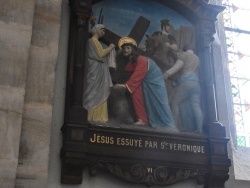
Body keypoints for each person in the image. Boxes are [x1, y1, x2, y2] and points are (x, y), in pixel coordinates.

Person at [116, 37, 174, 128]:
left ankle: (169, 125)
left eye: (128, 48)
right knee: (135, 93)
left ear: (133, 49)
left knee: (160, 103)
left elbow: (137, 74)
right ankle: (142, 119)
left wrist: (126, 85)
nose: (125, 50)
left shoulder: (141, 59)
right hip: (146, 81)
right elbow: (128, 69)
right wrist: (120, 55)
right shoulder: (132, 60)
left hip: (155, 81)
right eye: (124, 48)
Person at [164, 45, 203, 133]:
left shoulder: (184, 55)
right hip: (196, 84)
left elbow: (177, 66)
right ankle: (199, 129)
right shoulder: (197, 59)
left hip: (186, 82)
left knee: (174, 102)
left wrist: (167, 73)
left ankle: (173, 126)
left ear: (184, 49)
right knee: (196, 106)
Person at [83, 24, 115, 124]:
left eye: (104, 31)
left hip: (98, 69)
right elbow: (101, 54)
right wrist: (110, 48)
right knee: (94, 91)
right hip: (95, 69)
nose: (103, 32)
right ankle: (93, 115)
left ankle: (100, 116)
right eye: (102, 30)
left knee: (99, 91)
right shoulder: (93, 41)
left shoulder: (94, 41)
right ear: (96, 30)